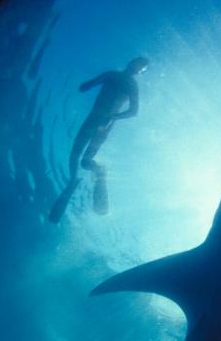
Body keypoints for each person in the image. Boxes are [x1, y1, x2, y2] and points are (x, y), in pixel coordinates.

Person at [49, 57, 148, 223]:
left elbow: (133, 111)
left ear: (140, 71)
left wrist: (113, 116)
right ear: (131, 62)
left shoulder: (131, 84)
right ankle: (80, 178)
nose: (137, 68)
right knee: (79, 158)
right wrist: (88, 85)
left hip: (104, 122)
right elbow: (86, 86)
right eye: (137, 64)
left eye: (141, 67)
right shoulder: (112, 75)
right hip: (95, 118)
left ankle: (97, 173)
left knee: (82, 157)